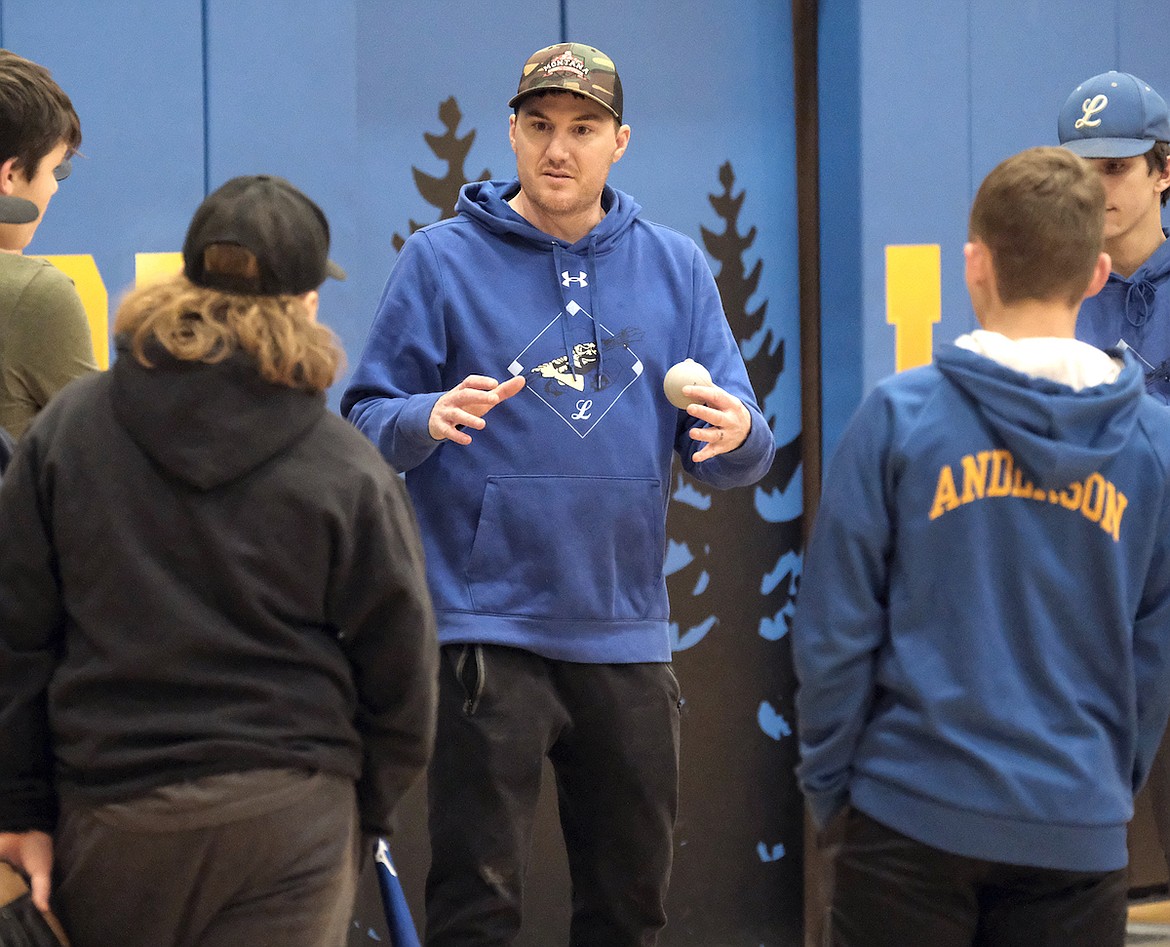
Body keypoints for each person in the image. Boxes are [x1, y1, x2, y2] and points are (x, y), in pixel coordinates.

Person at [342, 41, 775, 947]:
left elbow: (739, 448)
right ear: (511, 132)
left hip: (626, 634)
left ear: (620, 141)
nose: (558, 149)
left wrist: (739, 433)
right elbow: (366, 418)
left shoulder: (678, 268)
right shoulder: (438, 261)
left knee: (629, 907)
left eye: (582, 129)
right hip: (483, 632)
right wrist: (427, 415)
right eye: (539, 126)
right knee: (477, 903)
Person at [0, 174, 439, 947]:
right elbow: (402, 668)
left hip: (114, 814)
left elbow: (15, 636)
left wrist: (21, 809)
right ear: (305, 302)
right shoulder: (343, 464)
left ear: (189, 281)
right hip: (291, 818)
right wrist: (359, 811)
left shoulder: (70, 431)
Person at [792, 146, 1170, 947]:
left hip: (905, 815)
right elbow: (1154, 651)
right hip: (1077, 826)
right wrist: (1104, 787)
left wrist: (832, 790)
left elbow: (833, 631)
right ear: (1097, 273)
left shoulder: (898, 419)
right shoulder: (1153, 447)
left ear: (975, 265)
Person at [0, 48, 97, 440]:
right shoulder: (34, 296)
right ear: (8, 176)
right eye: (53, 168)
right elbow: (96, 462)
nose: (54, 187)